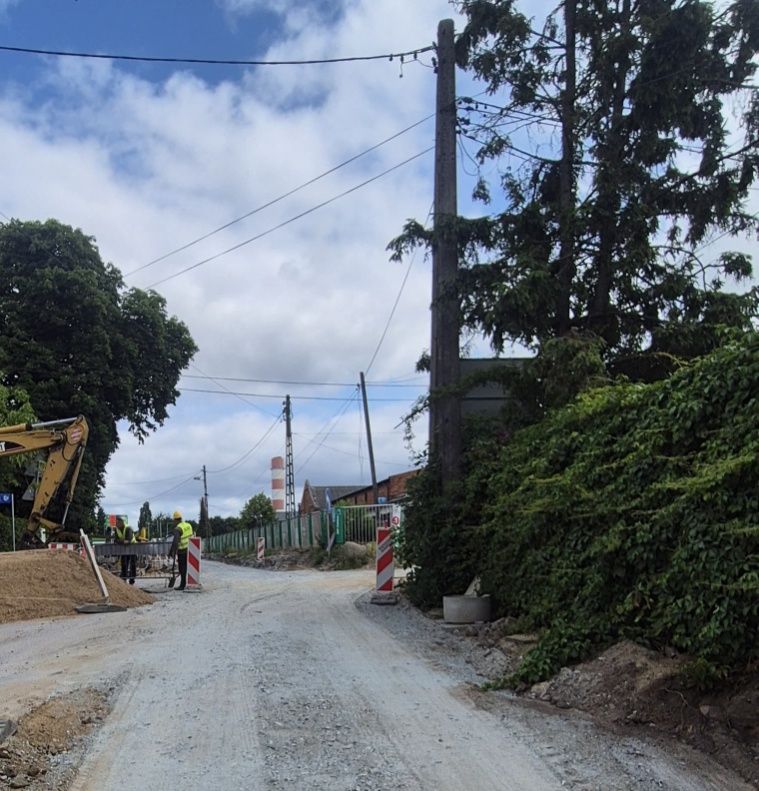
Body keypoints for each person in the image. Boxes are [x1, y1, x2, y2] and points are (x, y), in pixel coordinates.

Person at [168, 510, 194, 591]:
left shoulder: (177, 529)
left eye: (173, 520)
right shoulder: (188, 525)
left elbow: (175, 542)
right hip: (191, 550)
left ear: (175, 520)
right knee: (188, 567)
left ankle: (182, 585)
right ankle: (191, 582)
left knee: (182, 568)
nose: (173, 522)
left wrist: (172, 552)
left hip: (182, 551)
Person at [115, 516, 136, 585]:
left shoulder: (128, 528)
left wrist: (120, 541)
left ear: (121, 522)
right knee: (124, 563)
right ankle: (124, 579)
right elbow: (116, 540)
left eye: (117, 522)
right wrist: (123, 541)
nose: (116, 524)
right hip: (124, 549)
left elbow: (128, 541)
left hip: (133, 548)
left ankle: (132, 580)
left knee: (133, 564)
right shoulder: (117, 530)